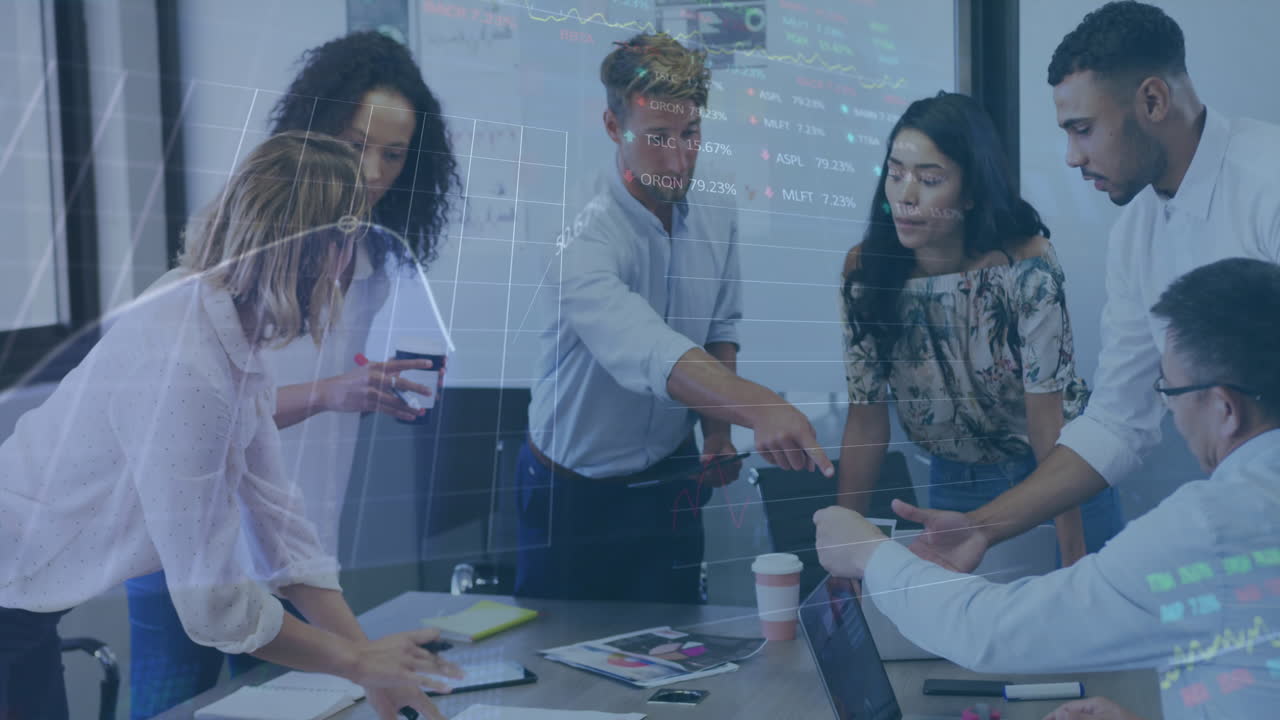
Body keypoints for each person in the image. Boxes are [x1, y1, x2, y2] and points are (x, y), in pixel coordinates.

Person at [0, 132, 459, 720]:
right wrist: (356, 662)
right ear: (327, 253)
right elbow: (212, 606)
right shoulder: (185, 365)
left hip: (24, 605)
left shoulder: (221, 323)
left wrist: (373, 667)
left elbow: (278, 521)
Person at [125, 31, 459, 718]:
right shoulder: (248, 243)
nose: (373, 171)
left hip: (289, 542)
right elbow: (201, 409)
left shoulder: (373, 261)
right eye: (358, 144)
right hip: (186, 539)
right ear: (316, 133)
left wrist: (368, 387)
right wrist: (332, 393)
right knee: (175, 707)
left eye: (394, 154)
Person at [891, 0, 1280, 575]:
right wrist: (982, 526)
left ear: (1153, 101)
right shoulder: (1136, 235)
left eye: (1083, 129)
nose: (1073, 157)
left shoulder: (1270, 184)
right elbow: (1118, 422)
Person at [815, 257, 1280, 720]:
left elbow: (989, 630)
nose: (1172, 412)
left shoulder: (1212, 530)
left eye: (1170, 392)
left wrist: (869, 553)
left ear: (1224, 410)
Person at [516, 32, 833, 604]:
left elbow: (718, 328)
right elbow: (643, 345)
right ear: (613, 127)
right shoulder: (576, 226)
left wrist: (718, 431)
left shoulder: (716, 206)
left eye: (690, 134)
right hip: (571, 491)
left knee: (678, 646)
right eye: (658, 137)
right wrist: (760, 406)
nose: (678, 159)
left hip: (670, 478)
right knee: (560, 651)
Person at [839, 91, 1122, 566]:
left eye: (930, 179)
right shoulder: (868, 271)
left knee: (1087, 600)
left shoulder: (1024, 265)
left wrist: (1072, 557)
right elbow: (866, 417)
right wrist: (842, 542)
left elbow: (1047, 421)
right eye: (895, 173)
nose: (905, 196)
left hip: (1055, 475)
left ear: (970, 193)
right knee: (962, 613)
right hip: (956, 479)